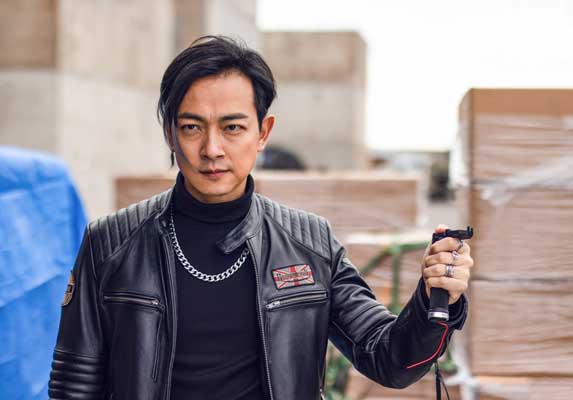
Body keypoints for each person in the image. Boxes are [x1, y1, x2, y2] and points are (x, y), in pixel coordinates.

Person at [48, 35, 473, 400]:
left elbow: (391, 361)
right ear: (170, 134)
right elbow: (74, 388)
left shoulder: (310, 243)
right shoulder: (111, 243)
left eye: (232, 128)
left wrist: (434, 298)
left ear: (263, 132)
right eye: (192, 127)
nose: (212, 149)